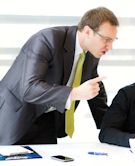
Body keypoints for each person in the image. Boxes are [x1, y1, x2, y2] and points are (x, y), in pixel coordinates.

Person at [0, 7, 119, 145]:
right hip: (15, 115)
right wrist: (74, 93)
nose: (110, 46)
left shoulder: (92, 53)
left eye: (113, 40)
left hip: (47, 118)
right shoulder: (47, 39)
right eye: (106, 39)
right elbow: (29, 88)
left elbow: (93, 84)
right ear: (87, 31)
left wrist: (112, 127)